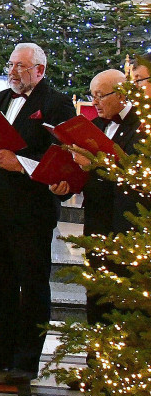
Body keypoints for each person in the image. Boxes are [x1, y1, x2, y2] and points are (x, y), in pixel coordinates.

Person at [0, 42, 74, 383]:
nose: (12, 72)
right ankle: (3, 353)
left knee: (32, 285)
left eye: (20, 67)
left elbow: (64, 156)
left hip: (33, 211)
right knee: (0, 283)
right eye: (11, 65)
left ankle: (27, 360)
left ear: (39, 71)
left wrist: (22, 165)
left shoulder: (57, 103)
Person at [61, 70, 140, 328]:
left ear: (121, 94)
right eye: (92, 96)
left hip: (125, 226)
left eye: (100, 96)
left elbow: (133, 176)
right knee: (96, 293)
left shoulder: (141, 126)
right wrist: (65, 181)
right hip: (96, 222)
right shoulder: (94, 126)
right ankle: (95, 359)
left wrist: (93, 164)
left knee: (122, 300)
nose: (94, 103)